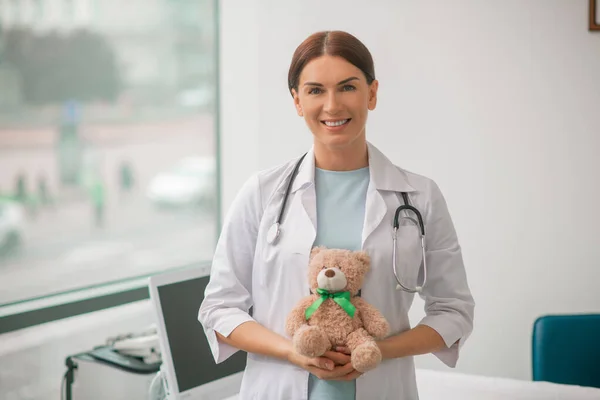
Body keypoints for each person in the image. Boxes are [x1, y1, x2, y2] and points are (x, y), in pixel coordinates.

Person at [198, 30, 475, 400]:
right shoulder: (263, 193)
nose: (332, 105)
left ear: (371, 94)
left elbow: (453, 311)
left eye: (347, 87)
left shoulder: (419, 197)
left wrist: (376, 352)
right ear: (297, 101)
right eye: (315, 90)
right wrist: (291, 350)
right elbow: (219, 309)